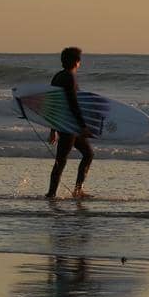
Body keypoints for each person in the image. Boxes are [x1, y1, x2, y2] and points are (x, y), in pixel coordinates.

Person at [45, 46, 95, 199]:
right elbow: (73, 103)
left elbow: (53, 104)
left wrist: (53, 129)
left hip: (63, 123)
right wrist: (83, 126)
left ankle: (75, 190)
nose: (80, 63)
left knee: (87, 154)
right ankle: (53, 193)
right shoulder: (70, 77)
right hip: (70, 125)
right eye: (79, 60)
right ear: (76, 62)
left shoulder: (58, 76)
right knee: (62, 159)